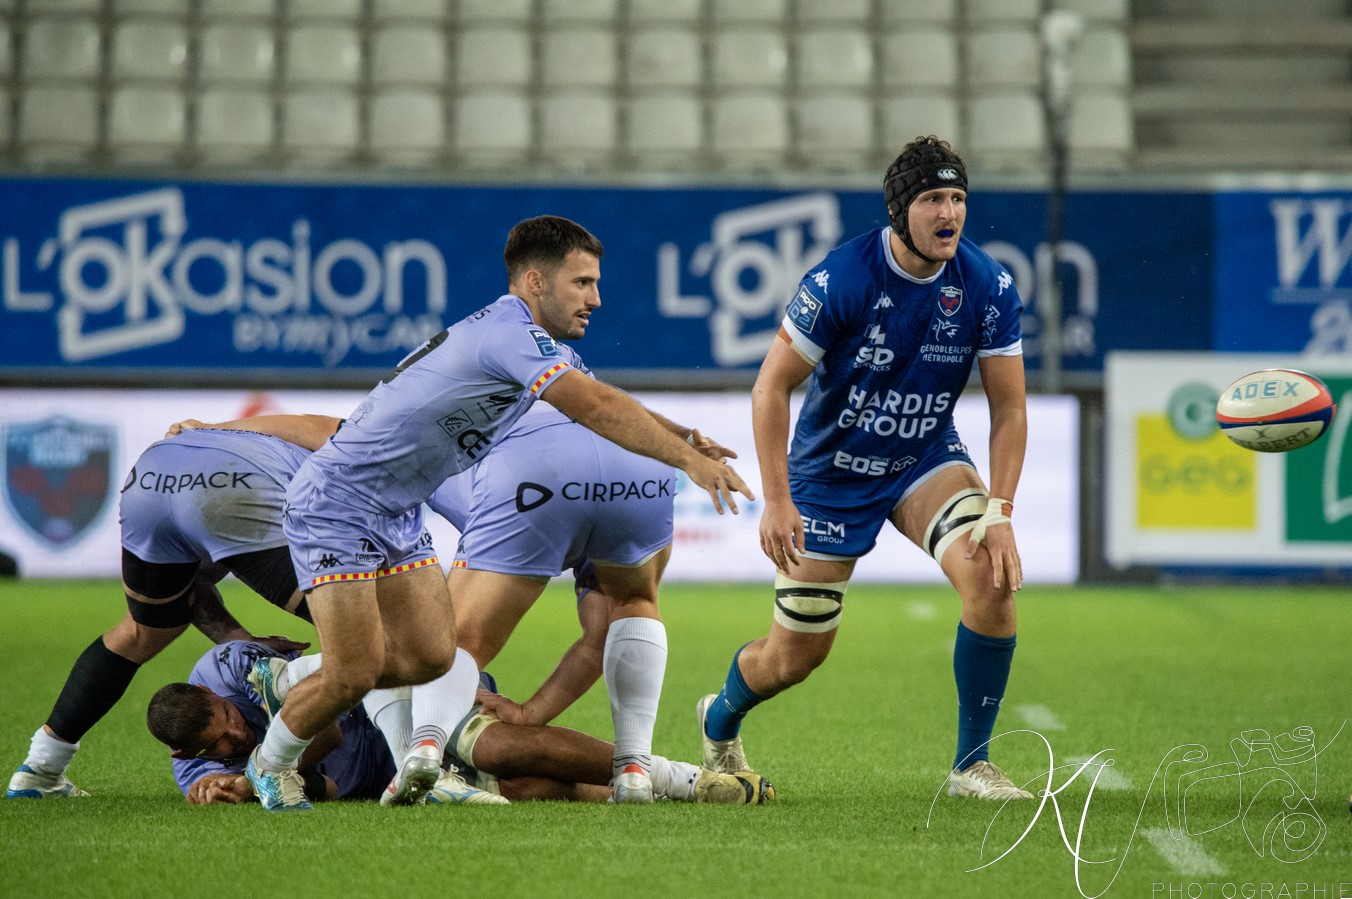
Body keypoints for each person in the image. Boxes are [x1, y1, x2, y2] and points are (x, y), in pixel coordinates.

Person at [246, 215, 753, 811]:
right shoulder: (509, 336)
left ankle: (301, 683)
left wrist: (684, 437)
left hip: (398, 512)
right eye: (582, 283)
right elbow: (589, 407)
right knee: (355, 673)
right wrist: (684, 460)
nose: (597, 298)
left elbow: (604, 401)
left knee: (434, 656)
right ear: (535, 282)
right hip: (337, 506)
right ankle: (269, 761)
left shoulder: (534, 344)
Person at [695, 136, 1033, 800]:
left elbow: (1011, 408)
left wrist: (999, 512)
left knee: (991, 581)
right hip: (830, 476)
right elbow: (770, 388)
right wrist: (778, 498)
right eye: (934, 198)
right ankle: (718, 717)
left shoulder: (987, 284)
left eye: (959, 198)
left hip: (922, 460)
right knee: (794, 659)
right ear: (900, 208)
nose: (950, 213)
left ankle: (971, 764)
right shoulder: (842, 278)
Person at [427, 402, 734, 803]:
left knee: (452, 645)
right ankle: (637, 771)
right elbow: (598, 638)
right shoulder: (561, 370)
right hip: (639, 460)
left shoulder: (422, 436)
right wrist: (686, 439)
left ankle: (422, 761)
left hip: (525, 476)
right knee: (634, 601)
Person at [5, 427, 316, 800]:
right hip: (237, 485)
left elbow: (193, 584)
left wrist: (242, 646)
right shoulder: (355, 460)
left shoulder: (263, 434)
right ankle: (402, 748)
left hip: (151, 478)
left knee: (144, 631)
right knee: (380, 628)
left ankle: (40, 768)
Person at [147, 641, 773, 806]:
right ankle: (622, 787)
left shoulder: (226, 668)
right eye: (217, 746)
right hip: (372, 770)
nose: (232, 738)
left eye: (228, 723)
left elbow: (327, 727)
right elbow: (331, 784)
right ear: (185, 754)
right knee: (524, 787)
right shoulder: (197, 772)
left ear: (216, 695)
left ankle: (685, 780)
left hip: (389, 689)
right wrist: (243, 791)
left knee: (496, 748)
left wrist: (261, 770)